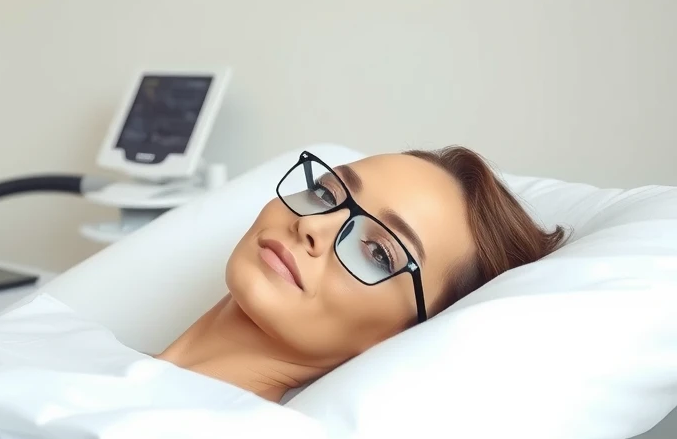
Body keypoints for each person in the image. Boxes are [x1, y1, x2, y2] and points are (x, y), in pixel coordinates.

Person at [157, 146, 567, 401]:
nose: (313, 226)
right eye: (326, 193)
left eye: (377, 252)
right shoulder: (98, 351)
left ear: (404, 335)